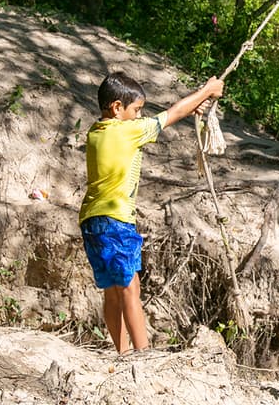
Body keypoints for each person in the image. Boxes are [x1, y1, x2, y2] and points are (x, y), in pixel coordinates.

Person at [80, 71, 224, 353]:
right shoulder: (127, 130)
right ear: (117, 107)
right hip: (116, 221)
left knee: (112, 290)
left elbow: (173, 114)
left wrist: (193, 104)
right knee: (131, 287)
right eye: (135, 110)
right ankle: (142, 354)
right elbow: (171, 114)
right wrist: (208, 90)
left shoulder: (97, 131)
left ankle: (122, 353)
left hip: (91, 221)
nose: (138, 116)